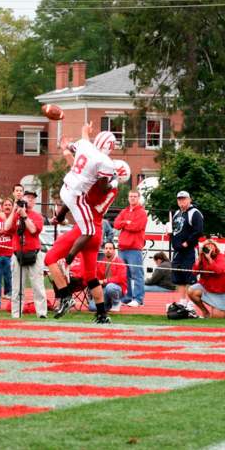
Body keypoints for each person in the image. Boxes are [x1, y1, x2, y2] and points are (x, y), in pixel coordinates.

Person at [45, 177, 119, 323]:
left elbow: (70, 202)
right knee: (91, 277)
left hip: (84, 230)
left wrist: (59, 217)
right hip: (97, 232)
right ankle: (102, 315)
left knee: (50, 258)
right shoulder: (113, 190)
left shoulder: (94, 186)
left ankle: (66, 296)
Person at [56, 121, 116, 268]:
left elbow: (73, 146)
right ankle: (67, 261)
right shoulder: (106, 162)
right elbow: (102, 188)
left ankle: (58, 217)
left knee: (69, 202)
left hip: (65, 187)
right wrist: (112, 183)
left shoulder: (85, 144)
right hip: (77, 194)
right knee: (89, 231)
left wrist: (84, 132)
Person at [5, 190, 47, 319]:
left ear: (34, 202)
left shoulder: (37, 216)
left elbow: (33, 230)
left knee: (38, 286)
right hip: (18, 254)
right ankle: (16, 314)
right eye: (27, 197)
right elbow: (6, 228)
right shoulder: (15, 214)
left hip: (34, 253)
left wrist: (24, 216)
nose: (29, 200)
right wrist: (14, 211)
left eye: (32, 198)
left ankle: (41, 314)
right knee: (17, 287)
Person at [113, 189, 148, 307]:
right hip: (122, 247)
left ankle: (138, 299)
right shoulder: (124, 211)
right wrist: (126, 222)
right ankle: (127, 297)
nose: (132, 198)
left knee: (136, 274)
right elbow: (116, 224)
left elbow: (137, 227)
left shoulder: (142, 212)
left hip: (134, 247)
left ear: (138, 198)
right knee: (125, 274)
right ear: (128, 198)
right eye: (130, 196)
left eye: (134, 196)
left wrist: (125, 223)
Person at [171, 191, 204, 306]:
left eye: (184, 199)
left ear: (189, 199)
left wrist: (187, 243)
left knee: (191, 275)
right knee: (179, 277)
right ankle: (183, 300)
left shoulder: (194, 213)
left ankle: (192, 301)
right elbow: (175, 230)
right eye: (179, 199)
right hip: (178, 251)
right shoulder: (177, 213)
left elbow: (198, 231)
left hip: (189, 250)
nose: (181, 201)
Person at [188, 240, 225, 318]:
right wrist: (199, 259)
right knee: (191, 291)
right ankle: (205, 312)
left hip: (221, 291)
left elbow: (219, 270)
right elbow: (194, 272)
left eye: (212, 247)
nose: (210, 250)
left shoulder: (220, 257)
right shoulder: (202, 257)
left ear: (215, 248)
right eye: (207, 247)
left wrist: (209, 259)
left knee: (217, 317)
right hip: (207, 287)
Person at [91, 241, 127, 313]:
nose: (108, 250)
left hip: (117, 288)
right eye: (106, 248)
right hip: (104, 288)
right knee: (92, 307)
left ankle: (116, 303)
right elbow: (97, 277)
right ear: (103, 250)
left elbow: (121, 278)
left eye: (110, 248)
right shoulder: (101, 262)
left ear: (114, 250)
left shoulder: (120, 262)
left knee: (110, 287)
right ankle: (108, 305)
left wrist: (105, 281)